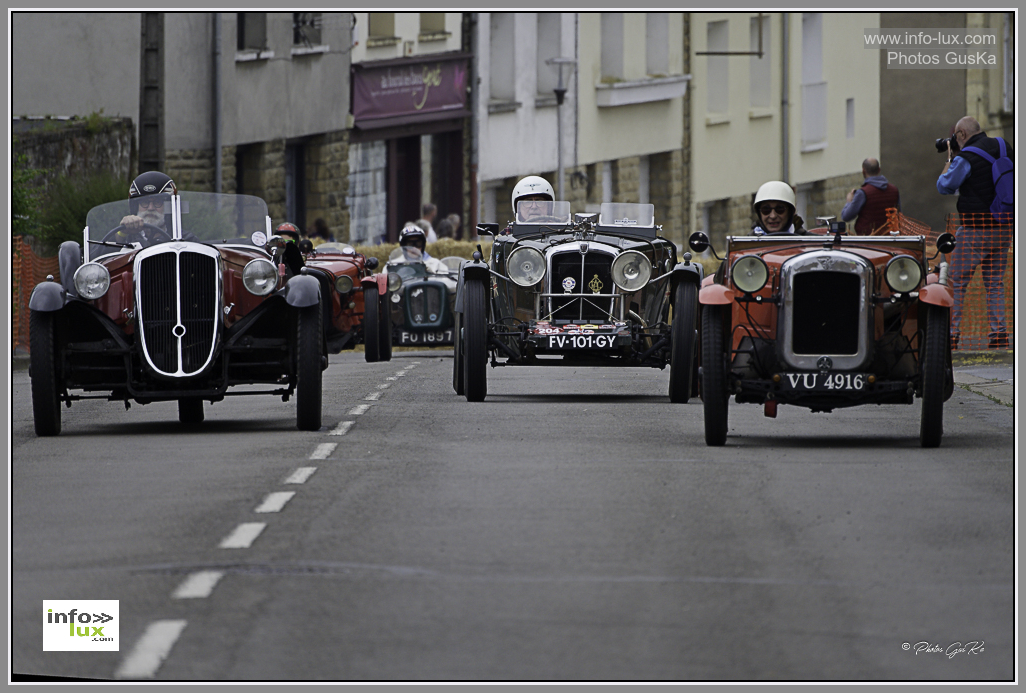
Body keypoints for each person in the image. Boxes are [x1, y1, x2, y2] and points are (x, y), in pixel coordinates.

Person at [936, 116, 1013, 349]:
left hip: (975, 230)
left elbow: (944, 186)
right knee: (994, 283)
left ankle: (952, 333)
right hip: (1004, 226)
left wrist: (950, 159)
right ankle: (999, 332)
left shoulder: (965, 157)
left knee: (957, 281)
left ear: (961, 135)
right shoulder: (1003, 145)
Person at [841, 158, 900, 235]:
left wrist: (849, 201)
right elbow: (899, 215)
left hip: (868, 240)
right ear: (879, 170)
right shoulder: (894, 190)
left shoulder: (863, 193)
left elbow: (846, 216)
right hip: (890, 239)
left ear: (863, 171)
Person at [118, 171, 177, 244]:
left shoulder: (185, 240)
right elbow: (104, 252)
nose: (150, 208)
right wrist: (122, 233)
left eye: (158, 202)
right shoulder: (126, 237)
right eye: (144, 202)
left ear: (169, 206)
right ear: (135, 206)